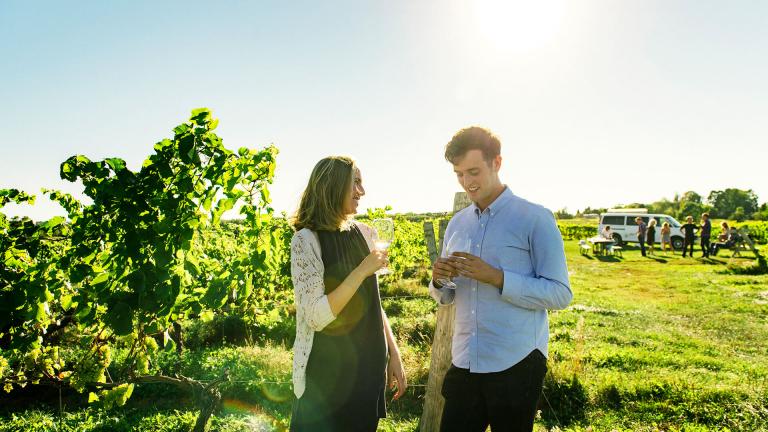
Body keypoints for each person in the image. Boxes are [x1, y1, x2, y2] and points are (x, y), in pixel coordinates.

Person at [429, 127, 573, 432]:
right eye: (458, 174)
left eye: (474, 171)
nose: (467, 182)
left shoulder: (534, 218)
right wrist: (440, 281)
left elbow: (560, 294)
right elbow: (447, 296)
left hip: (517, 363)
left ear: (497, 162)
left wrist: (497, 277)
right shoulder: (457, 224)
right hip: (465, 360)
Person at [289, 156, 406, 431]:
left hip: (369, 369)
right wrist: (362, 270)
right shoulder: (306, 241)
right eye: (355, 182)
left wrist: (394, 352)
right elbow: (317, 317)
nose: (361, 191)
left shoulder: (365, 233)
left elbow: (373, 303)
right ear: (332, 185)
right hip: (327, 376)